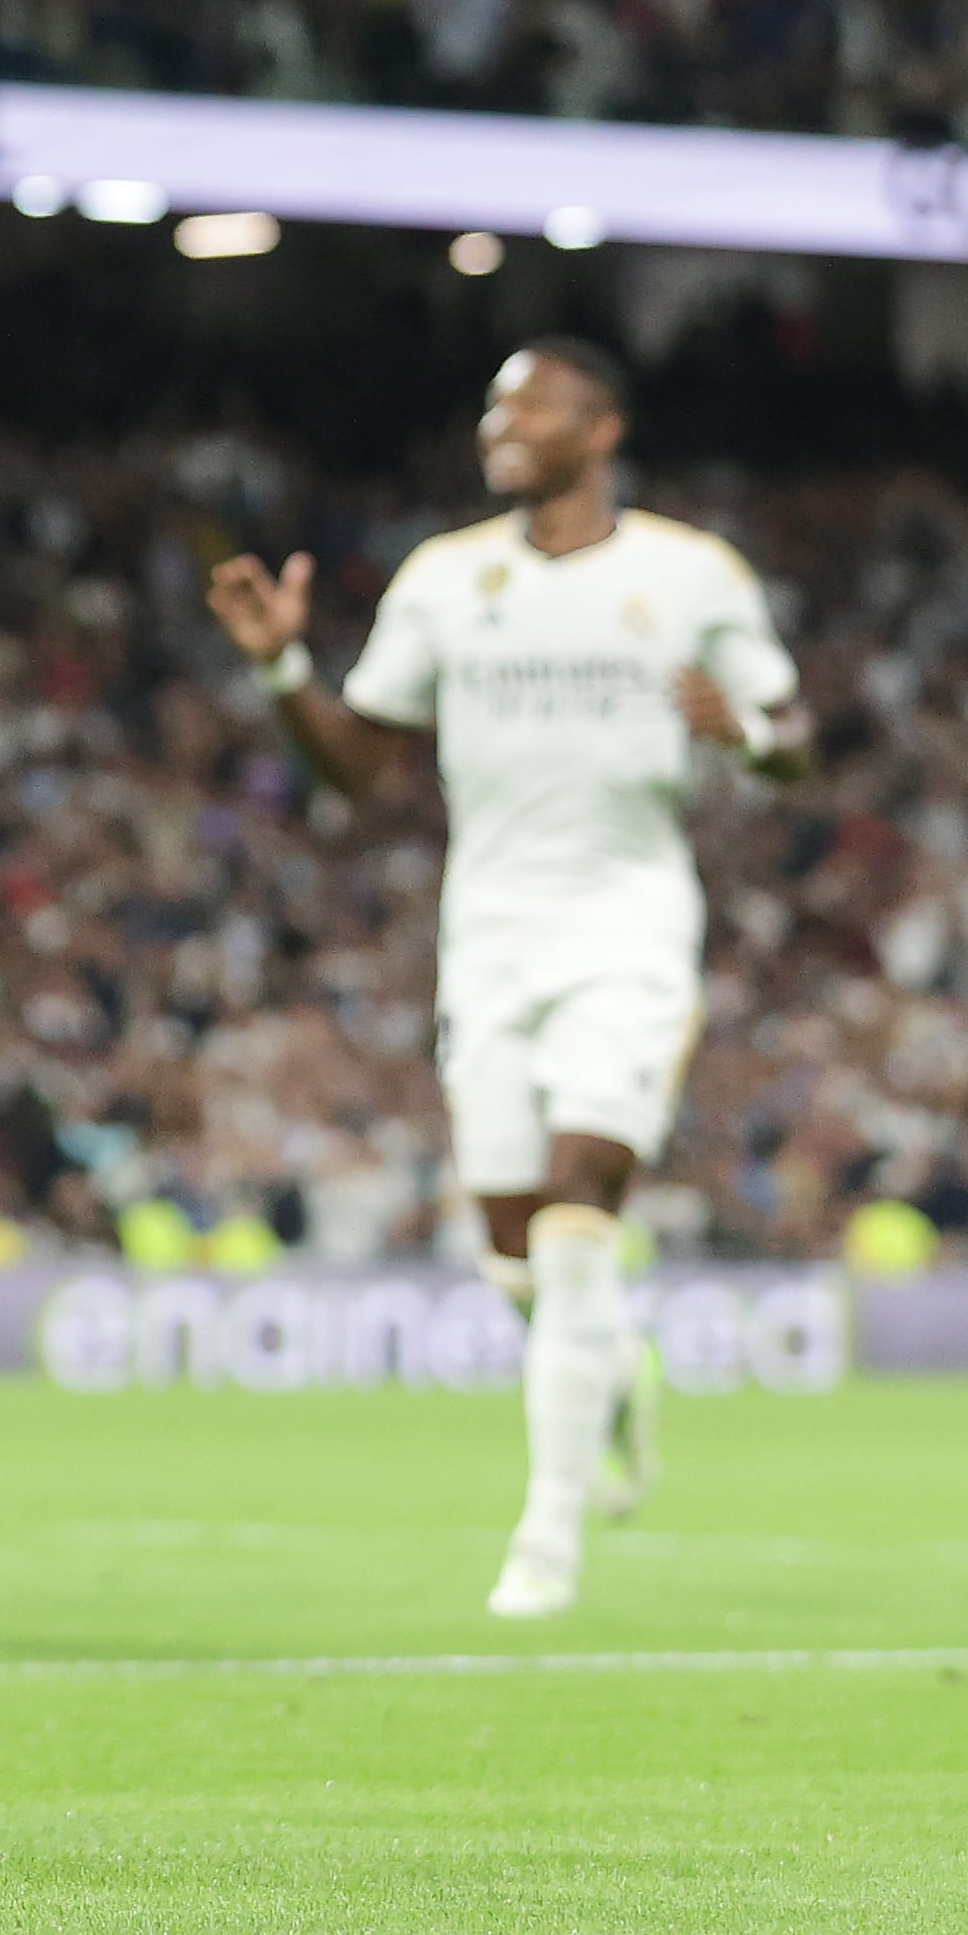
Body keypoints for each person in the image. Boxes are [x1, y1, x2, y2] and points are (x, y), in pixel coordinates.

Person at [206, 340, 804, 1620]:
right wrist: (277, 670)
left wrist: (746, 735)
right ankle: (612, 1371)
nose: (501, 421)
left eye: (529, 403)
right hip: (486, 933)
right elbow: (353, 772)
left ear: (601, 428)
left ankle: (545, 1537)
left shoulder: (687, 572)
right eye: (491, 403)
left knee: (582, 1194)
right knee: (510, 1247)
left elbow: (790, 731)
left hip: (629, 924)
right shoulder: (443, 577)